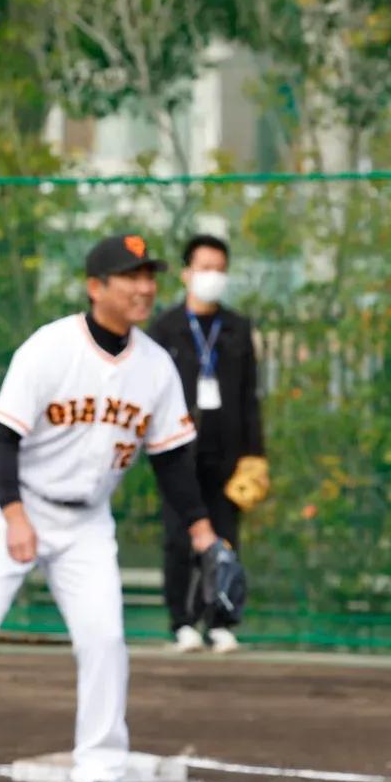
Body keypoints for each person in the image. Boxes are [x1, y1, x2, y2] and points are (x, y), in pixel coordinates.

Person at [0, 234, 220, 782]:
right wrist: (15, 516)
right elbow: (3, 437)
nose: (145, 287)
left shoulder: (155, 367)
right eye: (131, 276)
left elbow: (172, 461)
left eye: (150, 276)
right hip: (13, 502)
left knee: (105, 639)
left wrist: (202, 532)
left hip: (87, 521)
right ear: (96, 288)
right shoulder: (50, 349)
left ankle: (100, 769)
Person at [147, 233, 268, 652]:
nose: (212, 277)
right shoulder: (164, 328)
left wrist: (255, 455)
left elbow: (250, 397)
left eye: (219, 269)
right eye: (204, 268)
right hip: (179, 450)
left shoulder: (237, 329)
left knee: (225, 537)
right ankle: (182, 622)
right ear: (186, 273)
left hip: (228, 451)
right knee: (179, 537)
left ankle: (221, 620)